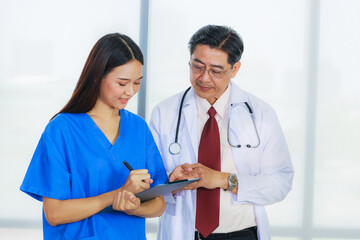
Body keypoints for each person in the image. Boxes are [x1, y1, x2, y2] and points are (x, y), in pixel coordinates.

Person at [149, 25, 294, 240]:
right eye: (197, 67)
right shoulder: (165, 112)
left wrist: (225, 180)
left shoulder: (261, 114)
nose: (204, 78)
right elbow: (148, 184)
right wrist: (169, 181)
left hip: (242, 234)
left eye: (216, 71)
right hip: (185, 233)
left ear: (234, 69)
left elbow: (281, 183)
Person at [20, 33, 168, 240]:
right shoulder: (61, 130)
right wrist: (116, 195)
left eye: (137, 83)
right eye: (122, 83)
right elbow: (54, 214)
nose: (130, 91)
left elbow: (158, 204)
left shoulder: (138, 128)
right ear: (97, 77)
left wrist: (134, 207)